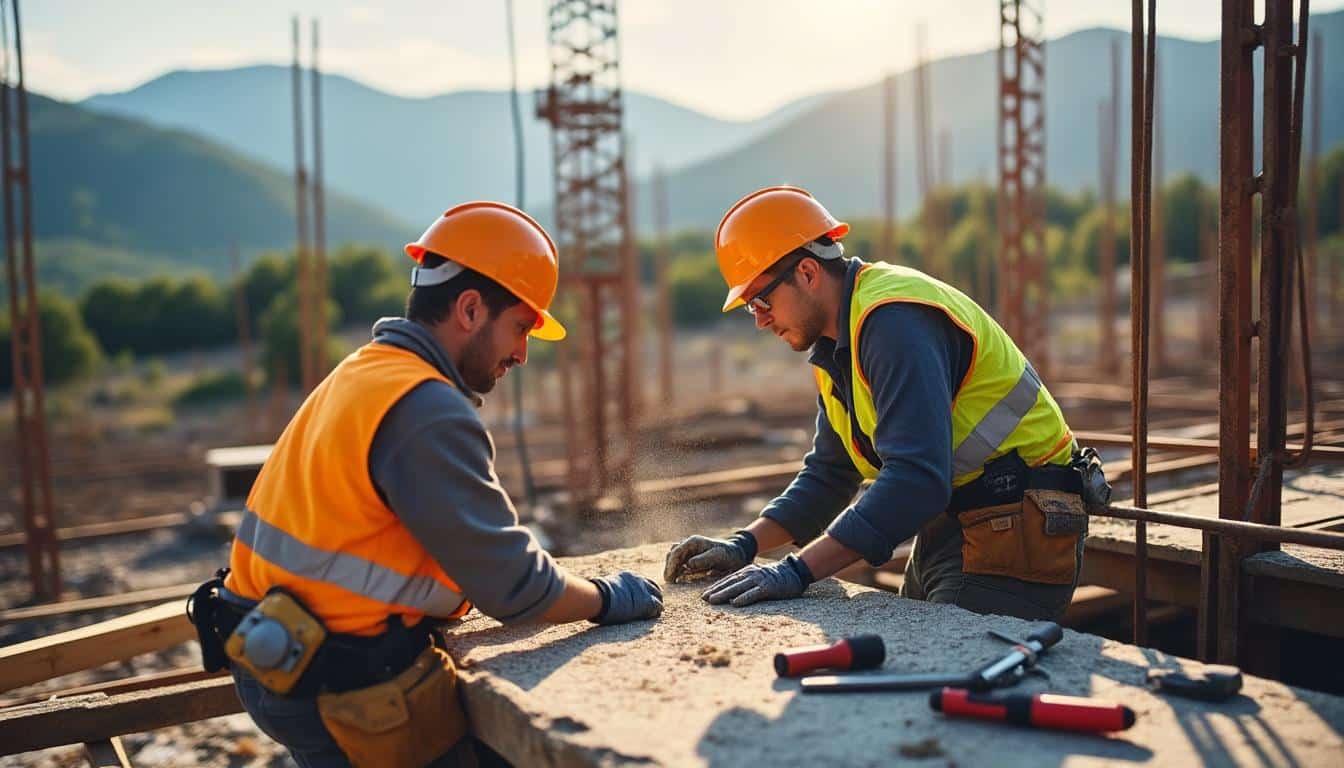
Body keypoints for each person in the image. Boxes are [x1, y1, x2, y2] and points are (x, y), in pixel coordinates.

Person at [188, 202, 663, 768]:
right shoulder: (426, 408)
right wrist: (607, 597)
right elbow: (515, 587)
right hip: (338, 684)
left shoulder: (366, 371)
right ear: (469, 309)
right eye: (520, 327)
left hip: (278, 651)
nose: (521, 353)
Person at [664, 186, 1107, 621]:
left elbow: (916, 479)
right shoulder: (839, 343)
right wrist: (743, 545)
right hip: (959, 524)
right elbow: (830, 473)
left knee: (934, 662)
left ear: (807, 273)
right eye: (750, 307)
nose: (760, 320)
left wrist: (796, 571)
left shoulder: (894, 322)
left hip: (1020, 525)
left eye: (762, 300)